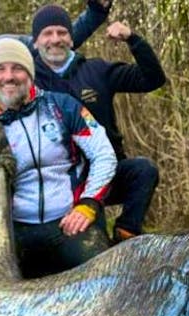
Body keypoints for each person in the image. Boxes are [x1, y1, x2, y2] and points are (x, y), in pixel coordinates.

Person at [0, 38, 117, 278]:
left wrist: (89, 204)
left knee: (103, 276)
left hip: (69, 222)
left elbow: (104, 155)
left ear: (30, 74)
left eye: (18, 68)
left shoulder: (63, 106)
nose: (9, 76)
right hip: (14, 232)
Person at [31, 5, 166, 241]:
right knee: (91, 240)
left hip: (105, 171)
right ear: (35, 42)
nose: (55, 39)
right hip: (61, 183)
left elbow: (152, 79)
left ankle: (126, 233)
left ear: (71, 38)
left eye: (62, 33)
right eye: (47, 33)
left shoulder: (97, 70)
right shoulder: (28, 79)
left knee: (144, 170)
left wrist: (133, 39)